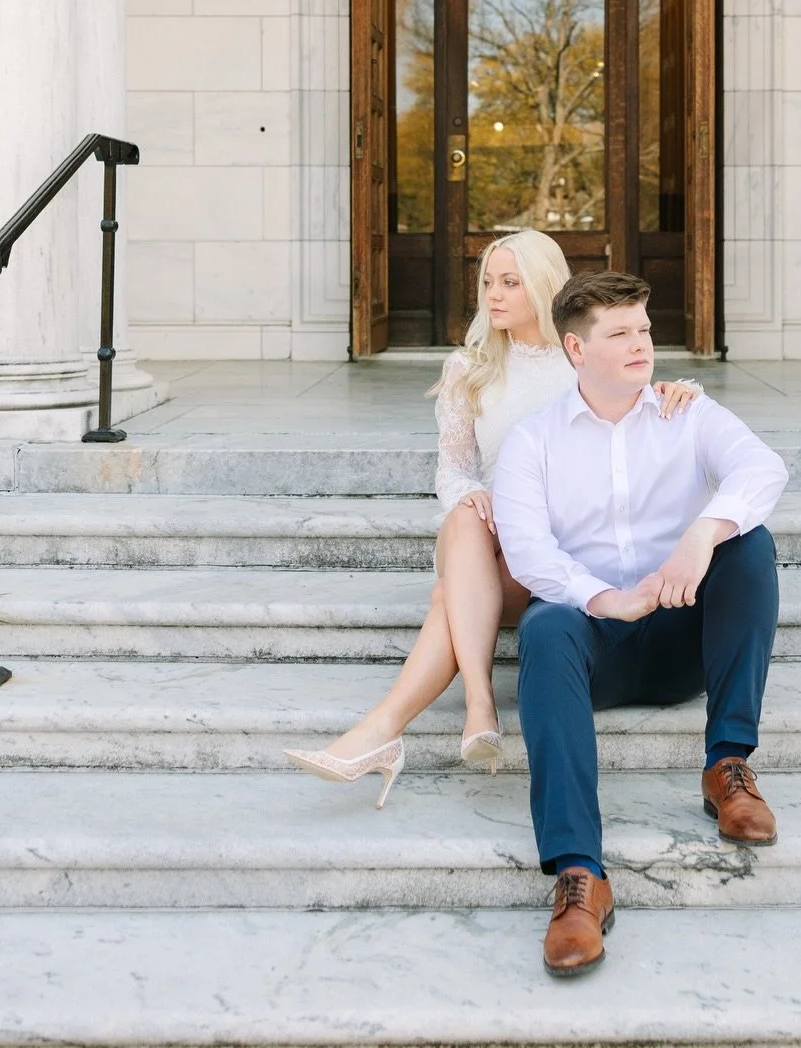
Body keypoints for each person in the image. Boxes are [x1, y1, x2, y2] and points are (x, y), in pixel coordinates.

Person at [285, 234, 699, 807]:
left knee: (444, 600)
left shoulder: (582, 358)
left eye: (511, 282)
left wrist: (679, 390)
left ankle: (390, 731)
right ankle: (476, 704)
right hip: (485, 537)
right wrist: (476, 494)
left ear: (544, 286)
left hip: (551, 550)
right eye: (488, 282)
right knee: (463, 514)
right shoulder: (469, 368)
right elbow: (453, 468)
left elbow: (642, 409)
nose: (495, 295)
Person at [492, 270, 787, 979]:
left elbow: (762, 467)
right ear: (575, 347)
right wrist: (604, 599)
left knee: (749, 544)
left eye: (645, 330)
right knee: (544, 626)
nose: (640, 345)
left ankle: (728, 765)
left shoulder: (688, 412)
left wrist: (703, 532)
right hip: (595, 647)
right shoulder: (532, 442)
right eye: (619, 333)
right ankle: (580, 877)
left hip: (681, 630)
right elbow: (530, 553)